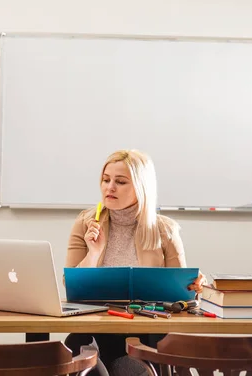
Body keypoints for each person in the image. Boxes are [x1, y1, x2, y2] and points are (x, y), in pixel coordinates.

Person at [63, 149, 206, 375]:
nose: (109, 187)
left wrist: (194, 287)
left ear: (141, 187)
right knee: (84, 366)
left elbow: (182, 298)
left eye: (120, 182)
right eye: (105, 179)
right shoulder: (85, 223)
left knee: (132, 371)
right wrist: (93, 253)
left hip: (146, 336)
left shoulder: (165, 230)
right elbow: (71, 286)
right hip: (94, 332)